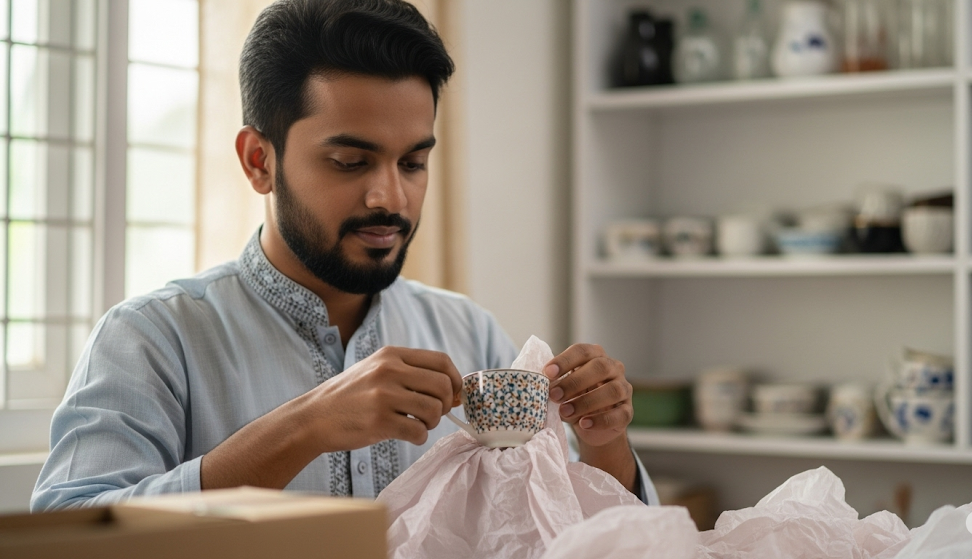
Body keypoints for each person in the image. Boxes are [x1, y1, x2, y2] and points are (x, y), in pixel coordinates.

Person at [31, 0, 655, 511]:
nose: (391, 196)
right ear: (259, 160)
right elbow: (66, 536)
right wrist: (306, 426)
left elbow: (564, 531)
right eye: (350, 162)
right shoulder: (152, 339)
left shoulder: (467, 332)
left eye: (413, 162)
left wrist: (605, 445)